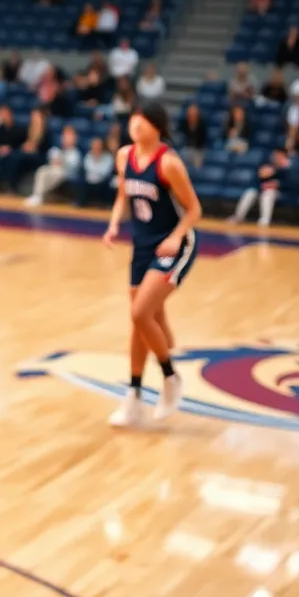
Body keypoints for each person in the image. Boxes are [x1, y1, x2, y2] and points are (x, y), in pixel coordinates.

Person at [104, 103, 201, 428]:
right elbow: (122, 196)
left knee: (139, 313)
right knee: (143, 323)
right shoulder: (123, 156)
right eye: (133, 119)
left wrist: (176, 237)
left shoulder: (169, 163)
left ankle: (170, 379)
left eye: (142, 121)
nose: (135, 125)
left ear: (156, 127)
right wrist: (114, 225)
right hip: (142, 245)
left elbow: (194, 210)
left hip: (174, 244)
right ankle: (133, 397)